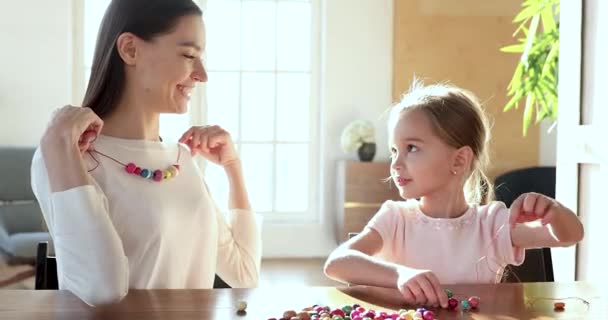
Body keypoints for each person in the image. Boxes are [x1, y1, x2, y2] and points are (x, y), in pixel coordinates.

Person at [31, 0, 261, 306]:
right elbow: (102, 289)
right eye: (189, 55)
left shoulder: (181, 159)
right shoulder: (64, 157)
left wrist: (233, 167)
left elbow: (244, 273)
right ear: (130, 49)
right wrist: (59, 150)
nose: (202, 75)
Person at [323, 81, 584, 309]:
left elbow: (569, 236)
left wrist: (554, 212)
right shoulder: (395, 218)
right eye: (394, 150)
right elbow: (336, 264)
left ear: (459, 160)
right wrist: (399, 275)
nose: (395, 163)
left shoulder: (493, 224)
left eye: (411, 148)